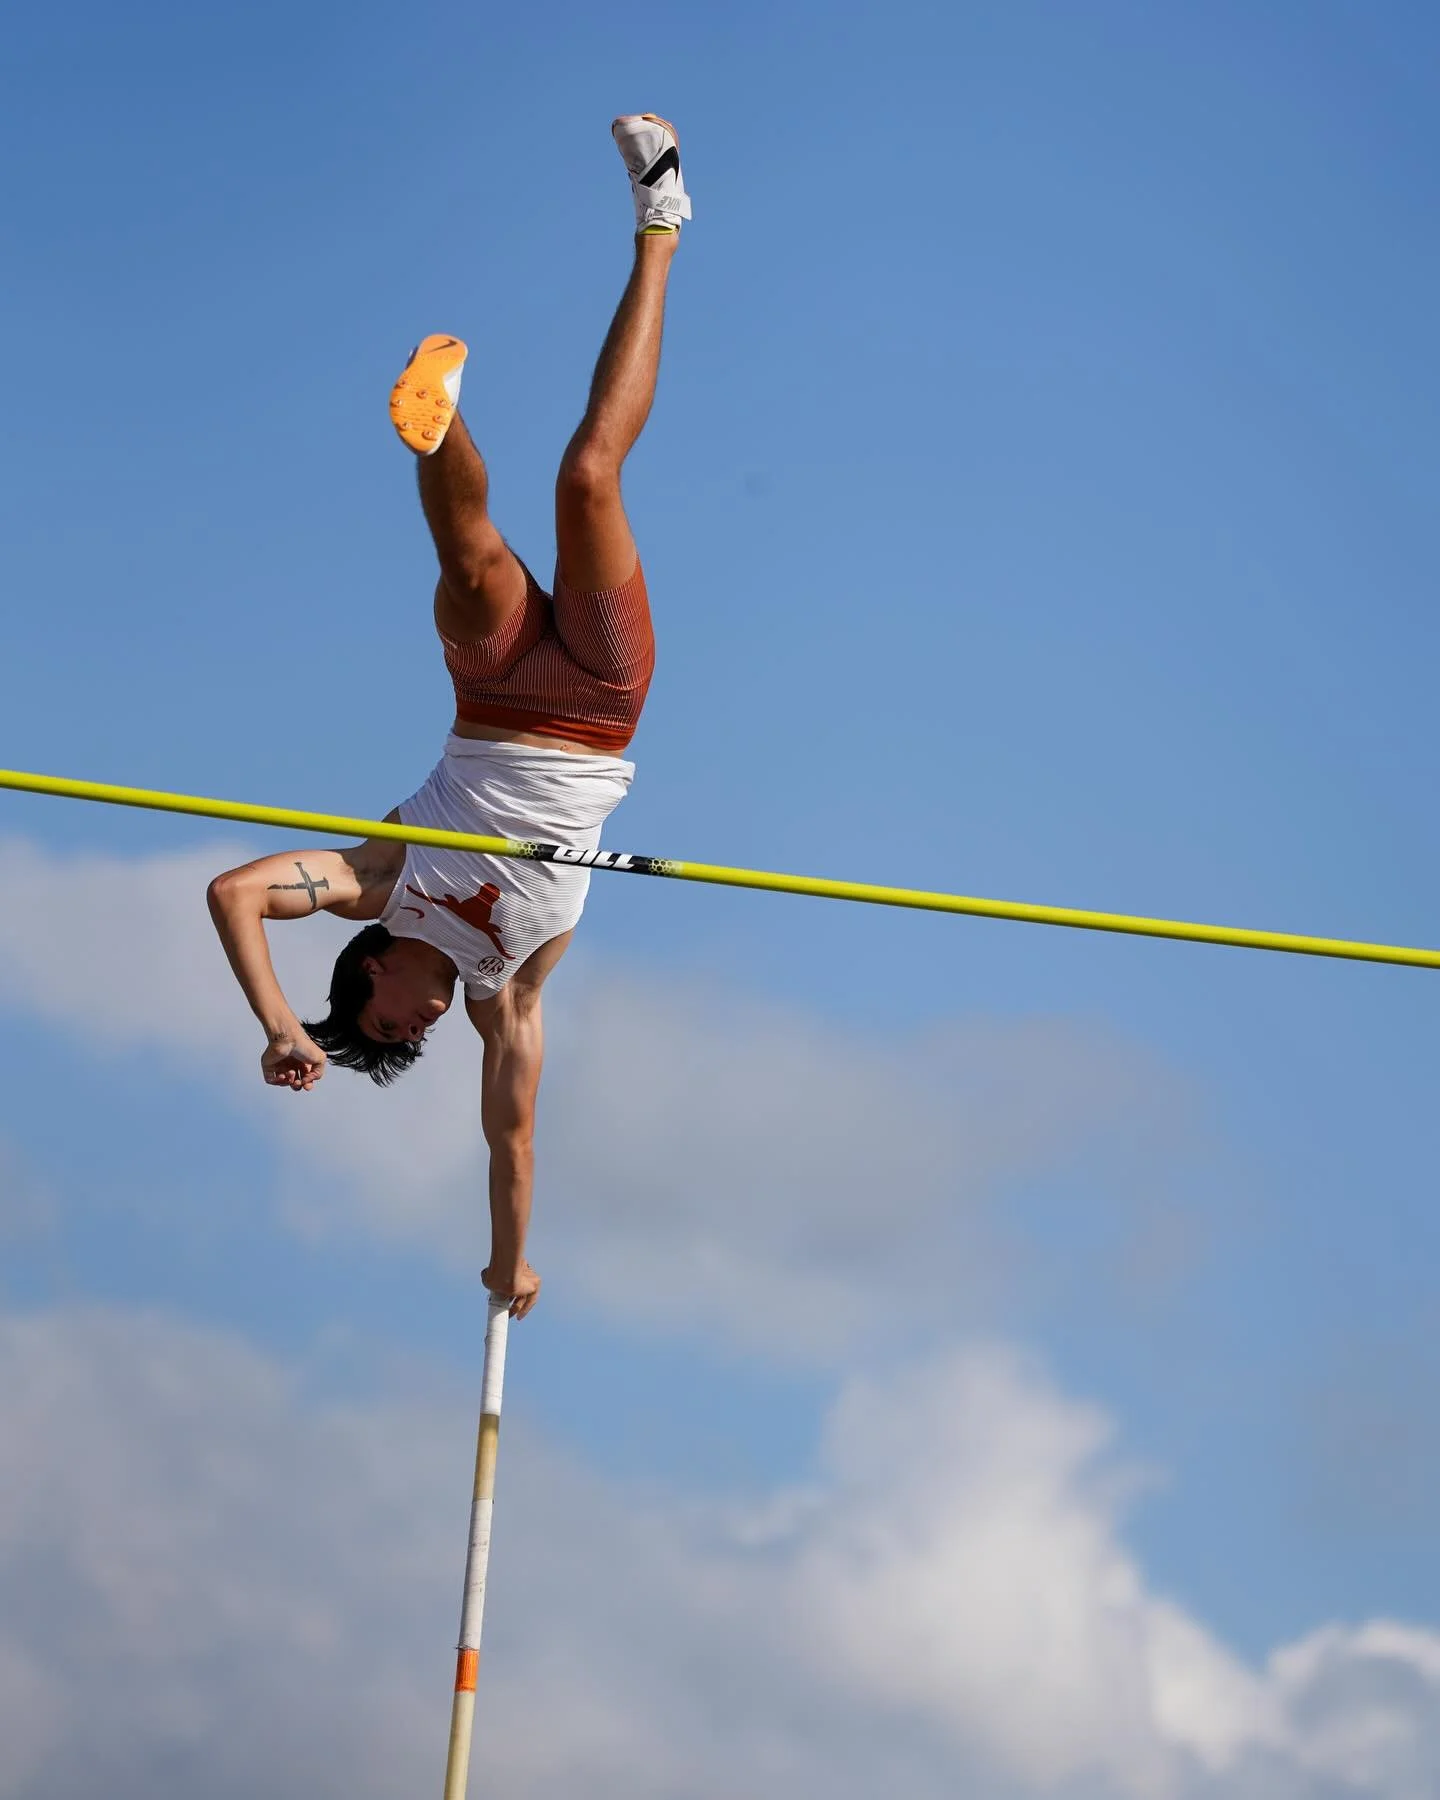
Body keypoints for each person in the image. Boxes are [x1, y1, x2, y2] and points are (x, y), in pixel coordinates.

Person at [206, 116, 691, 1320]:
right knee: (588, 476)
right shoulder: (506, 989)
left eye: (389, 1027)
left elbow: (232, 893)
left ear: (366, 972)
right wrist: (509, 1260)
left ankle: (440, 410)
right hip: (597, 706)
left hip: (492, 697)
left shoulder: (375, 883)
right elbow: (511, 1139)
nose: (418, 1027)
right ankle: (663, 225)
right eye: (414, 1042)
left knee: (468, 555)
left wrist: (281, 1027)